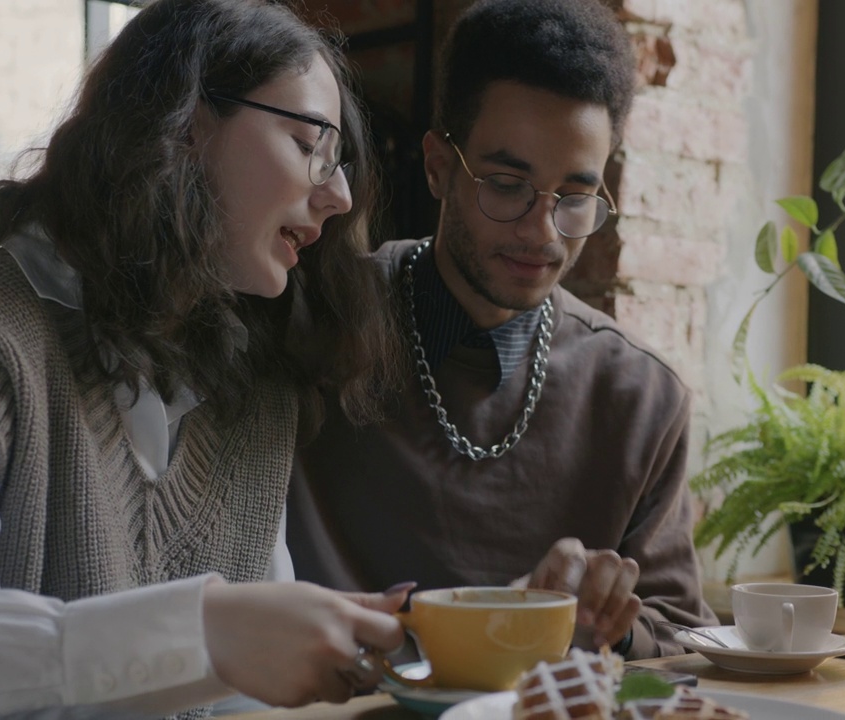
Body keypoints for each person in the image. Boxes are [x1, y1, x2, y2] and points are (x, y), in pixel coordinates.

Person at [0, 1, 415, 718]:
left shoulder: (258, 385)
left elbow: (246, 701)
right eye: (311, 142)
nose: (338, 194)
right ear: (184, 123)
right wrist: (204, 635)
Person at [289, 0, 717, 660]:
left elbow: (683, 634)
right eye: (507, 183)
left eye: (573, 196)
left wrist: (612, 621)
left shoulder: (641, 397)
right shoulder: (312, 321)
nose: (542, 231)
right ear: (437, 167)